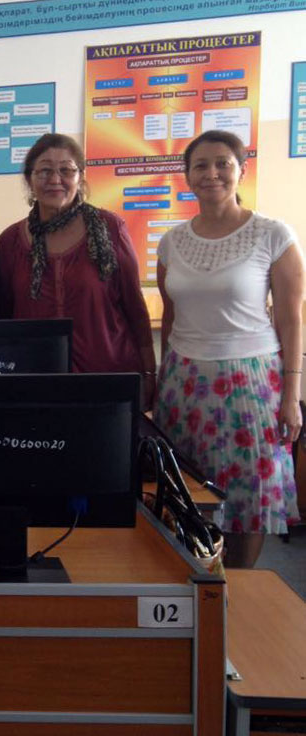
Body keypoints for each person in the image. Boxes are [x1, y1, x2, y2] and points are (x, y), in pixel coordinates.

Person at [154, 130, 304, 568]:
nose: (212, 173)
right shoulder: (171, 242)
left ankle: (238, 584)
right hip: (184, 381)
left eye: (223, 163)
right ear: (187, 176)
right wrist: (162, 383)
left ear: (242, 169)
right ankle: (198, 581)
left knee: (250, 487)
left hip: (252, 382)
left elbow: (292, 320)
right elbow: (171, 317)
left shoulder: (273, 234)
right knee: (188, 487)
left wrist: (291, 396)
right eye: (200, 165)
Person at [0, 133, 156, 406]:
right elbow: (4, 317)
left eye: (66, 170)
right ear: (29, 179)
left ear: (80, 177)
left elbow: (134, 307)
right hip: (36, 382)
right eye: (44, 170)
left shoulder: (110, 228)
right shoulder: (9, 242)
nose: (55, 179)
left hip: (108, 377)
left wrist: (149, 372)